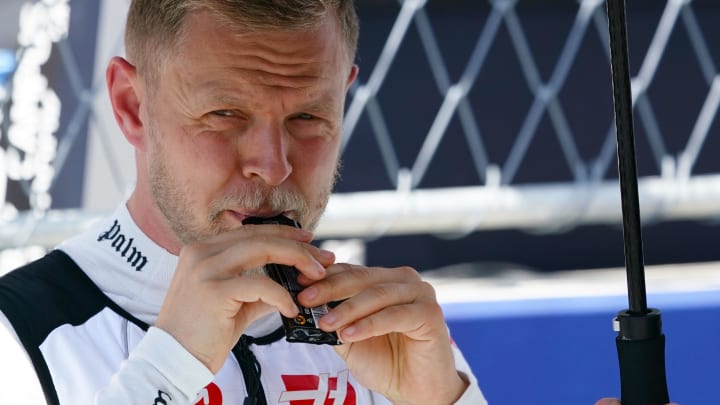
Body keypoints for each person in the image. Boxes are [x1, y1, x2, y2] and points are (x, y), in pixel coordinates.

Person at [0, 1, 487, 404]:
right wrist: (165, 370)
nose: (273, 166)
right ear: (133, 107)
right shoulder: (18, 336)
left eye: (307, 116)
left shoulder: (385, 333)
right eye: (225, 113)